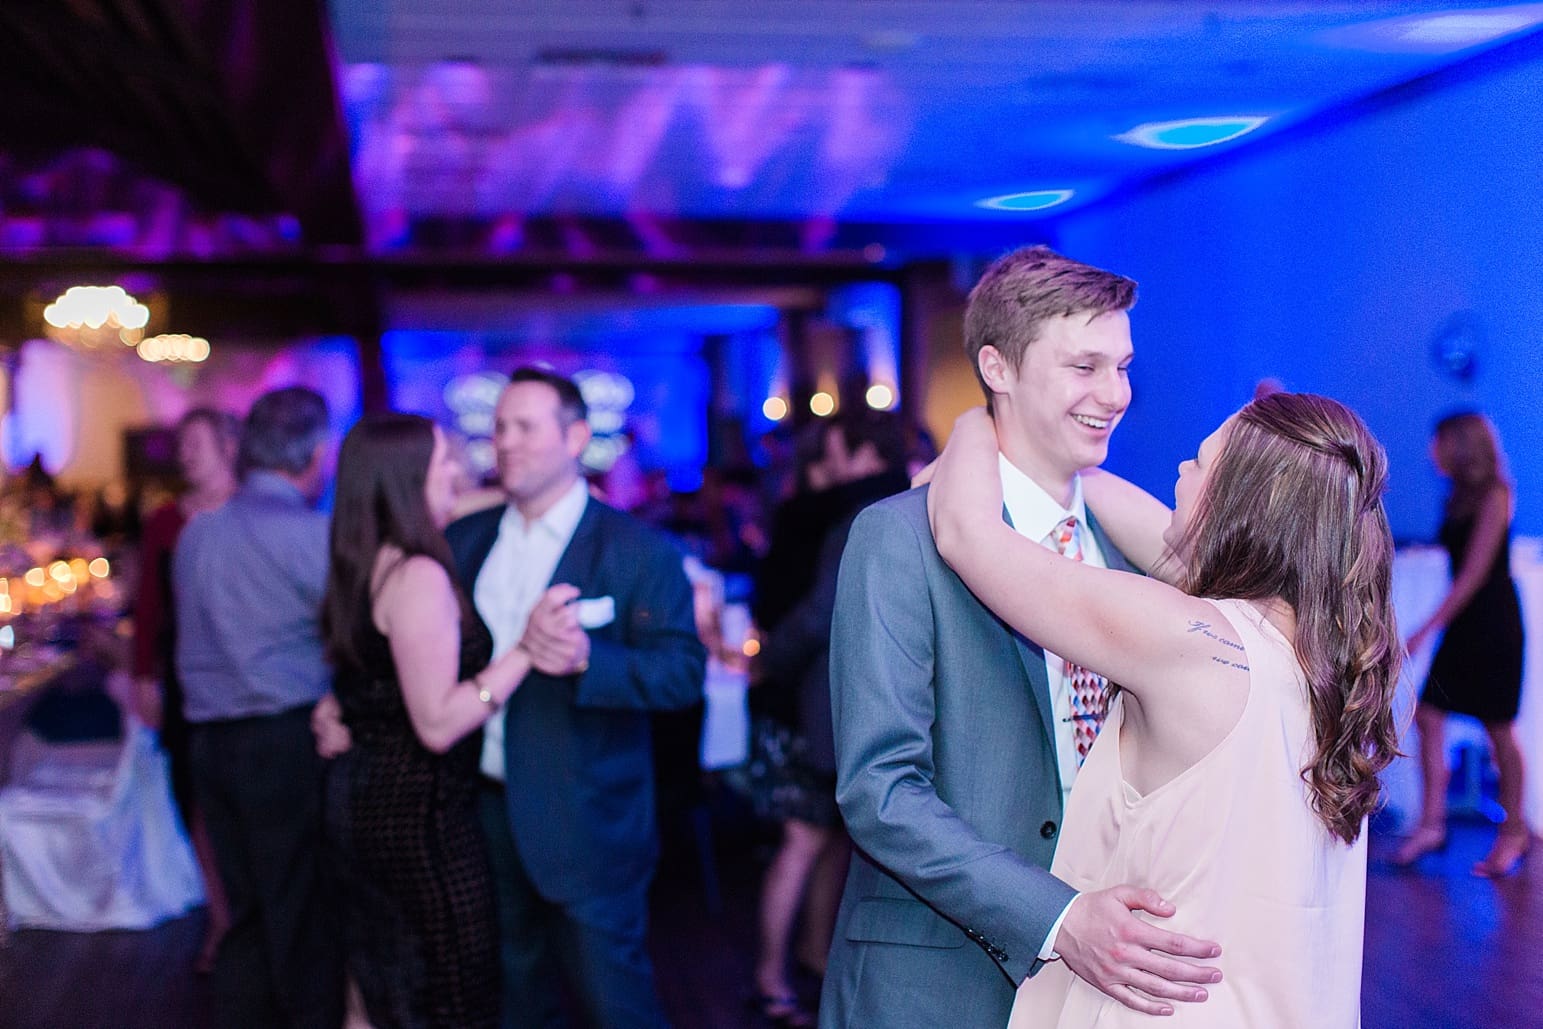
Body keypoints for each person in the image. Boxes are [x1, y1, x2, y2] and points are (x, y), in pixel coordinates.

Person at [820, 245, 1220, 1029]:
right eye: (1084, 366)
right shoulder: (898, 537)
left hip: (1116, 975)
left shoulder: (1130, 548)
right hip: (938, 974)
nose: (1114, 394)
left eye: (1122, 366)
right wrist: (1060, 917)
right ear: (997, 368)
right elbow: (879, 789)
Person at [927, 392, 1401, 1027]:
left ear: (1240, 504)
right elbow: (1153, 531)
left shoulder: (1187, 639)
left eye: (1201, 463)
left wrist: (982, 417)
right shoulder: (1329, 656)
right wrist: (1056, 465)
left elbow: (966, 534)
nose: (1180, 470)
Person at [445, 366, 706, 1028]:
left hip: (588, 820)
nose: (505, 442)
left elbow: (681, 673)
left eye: (525, 426)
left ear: (576, 437)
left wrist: (591, 657)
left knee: (615, 1006)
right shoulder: (464, 542)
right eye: (499, 427)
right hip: (483, 809)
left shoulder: (636, 549)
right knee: (512, 1000)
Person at [320, 414, 539, 1028]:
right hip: (418, 821)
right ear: (409, 478)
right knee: (449, 995)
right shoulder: (419, 576)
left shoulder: (365, 557)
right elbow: (437, 723)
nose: (459, 472)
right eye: (445, 461)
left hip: (363, 803)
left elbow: (367, 680)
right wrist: (525, 651)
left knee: (375, 986)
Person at [173, 387, 343, 1028]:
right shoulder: (309, 535)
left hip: (210, 743)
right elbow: (349, 637)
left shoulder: (199, 533)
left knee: (242, 916)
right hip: (282, 739)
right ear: (313, 452)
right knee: (298, 911)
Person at [751, 410, 912, 1026]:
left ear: (866, 455)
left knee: (804, 837)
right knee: (829, 840)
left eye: (841, 452)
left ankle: (774, 974)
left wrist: (769, 661)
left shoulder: (859, 516)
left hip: (829, 699)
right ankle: (810, 959)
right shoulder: (918, 499)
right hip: (872, 700)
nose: (833, 465)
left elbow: (820, 612)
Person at [1396, 411, 1531, 877]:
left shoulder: (1497, 494)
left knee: (1498, 728)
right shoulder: (1456, 496)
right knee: (1430, 713)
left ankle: (1514, 830)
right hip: (1466, 621)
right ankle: (1431, 823)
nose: (1432, 453)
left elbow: (1475, 574)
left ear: (1460, 445)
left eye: (1438, 444)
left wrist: (1426, 628)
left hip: (1492, 623)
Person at [131, 407, 240, 973]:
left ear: (228, 444)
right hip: (181, 673)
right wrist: (143, 676)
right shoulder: (165, 522)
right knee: (193, 798)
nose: (185, 453)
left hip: (245, 675)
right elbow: (148, 606)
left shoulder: (254, 512)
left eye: (196, 441)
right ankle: (221, 919)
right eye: (181, 443)